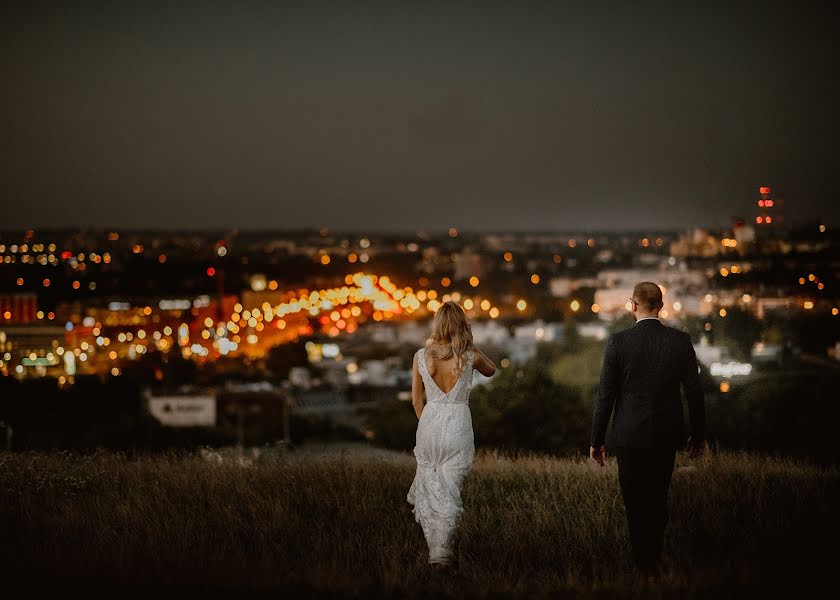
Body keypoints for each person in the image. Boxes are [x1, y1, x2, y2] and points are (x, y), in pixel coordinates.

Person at [590, 282, 706, 576]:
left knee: (635, 502)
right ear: (661, 306)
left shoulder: (618, 342)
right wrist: (698, 435)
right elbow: (695, 392)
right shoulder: (680, 341)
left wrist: (596, 440)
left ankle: (643, 564)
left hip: (629, 435)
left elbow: (605, 395)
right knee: (658, 497)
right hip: (666, 433)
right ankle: (652, 560)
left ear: (633, 305)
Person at [407, 301, 496, 572]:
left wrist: (430, 424)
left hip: (429, 426)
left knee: (432, 486)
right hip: (458, 426)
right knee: (449, 491)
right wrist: (473, 346)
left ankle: (437, 551)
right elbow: (491, 370)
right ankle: (441, 557)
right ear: (462, 324)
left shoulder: (421, 356)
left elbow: (415, 400)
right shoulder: (470, 356)